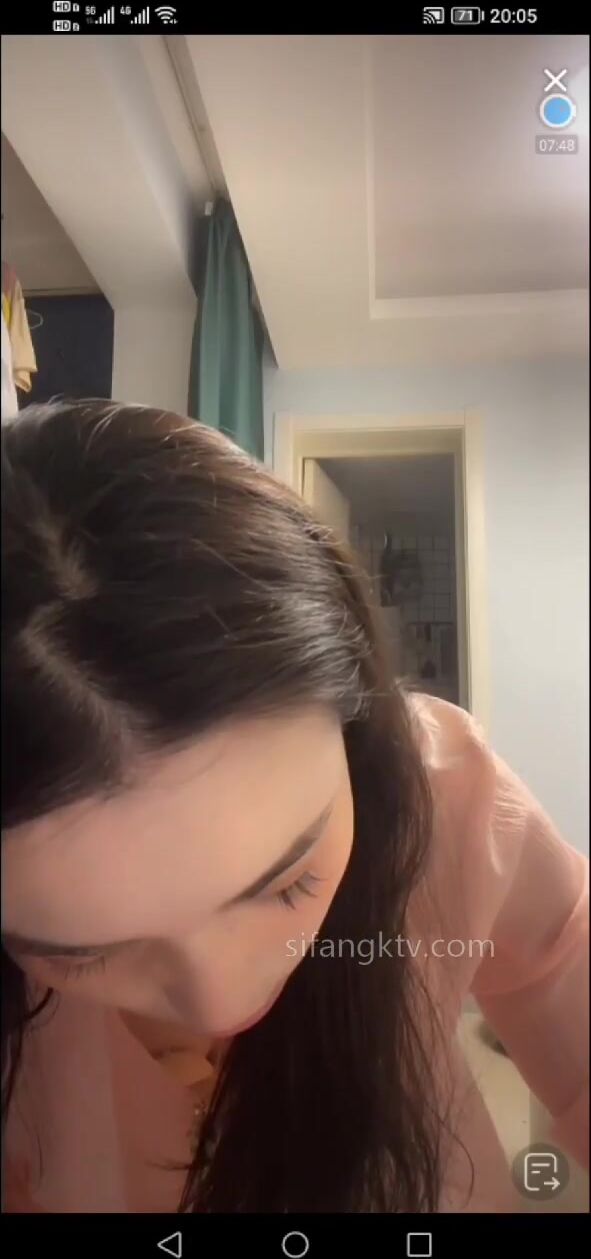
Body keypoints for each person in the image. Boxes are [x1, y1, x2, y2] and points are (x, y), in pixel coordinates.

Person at [1, 400, 588, 1214]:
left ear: (357, 731)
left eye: (287, 881)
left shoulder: (445, 793)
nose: (221, 1001)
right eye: (82, 954)